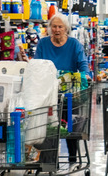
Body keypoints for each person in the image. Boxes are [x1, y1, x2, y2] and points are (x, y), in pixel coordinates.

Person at [35, 15, 89, 165]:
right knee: (49, 127)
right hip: (48, 93)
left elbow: (82, 63)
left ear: (66, 29)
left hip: (69, 94)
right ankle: (51, 159)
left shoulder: (74, 44)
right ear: (49, 28)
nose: (57, 30)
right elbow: (37, 64)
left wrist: (86, 76)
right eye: (54, 26)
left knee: (69, 125)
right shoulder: (43, 43)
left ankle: (73, 157)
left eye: (60, 27)